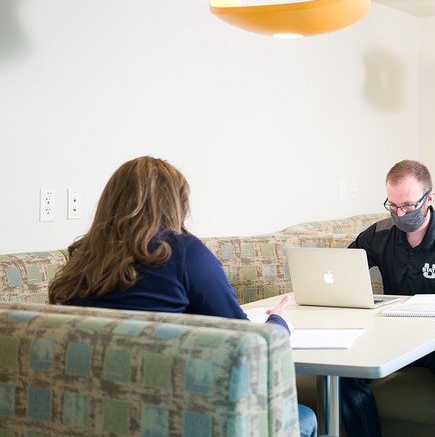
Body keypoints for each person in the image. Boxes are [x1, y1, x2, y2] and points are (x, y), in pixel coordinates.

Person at [47, 156, 317, 437]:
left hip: (96, 418)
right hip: (179, 419)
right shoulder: (183, 252)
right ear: (174, 204)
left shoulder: (80, 262)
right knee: (305, 416)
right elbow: (248, 349)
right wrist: (278, 324)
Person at [341, 160, 435, 437]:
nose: (400, 213)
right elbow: (343, 274)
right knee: (344, 370)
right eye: (393, 206)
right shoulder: (378, 235)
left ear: (429, 198)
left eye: (407, 206)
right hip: (394, 340)